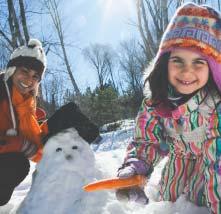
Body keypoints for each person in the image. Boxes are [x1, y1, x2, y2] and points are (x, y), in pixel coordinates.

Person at [116, 3, 221, 214]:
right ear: (165, 61)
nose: (186, 71)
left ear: (213, 67)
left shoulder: (215, 105)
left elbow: (218, 160)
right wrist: (136, 167)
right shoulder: (156, 102)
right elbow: (147, 139)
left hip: (210, 176)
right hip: (175, 173)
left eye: (199, 62)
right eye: (178, 60)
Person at [0, 39, 100, 205]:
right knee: (17, 163)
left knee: (70, 113)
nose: (29, 79)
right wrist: (16, 144)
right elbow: (23, 146)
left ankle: (75, 175)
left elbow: (35, 145)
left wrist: (59, 125)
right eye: (24, 71)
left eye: (35, 76)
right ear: (12, 70)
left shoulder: (24, 103)